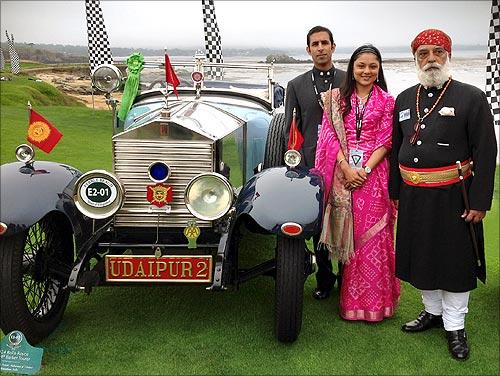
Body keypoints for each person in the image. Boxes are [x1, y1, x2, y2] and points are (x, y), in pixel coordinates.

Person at [389, 29, 497, 360]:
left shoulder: (471, 97)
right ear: (416, 59)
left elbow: (486, 151)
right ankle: (432, 313)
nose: (431, 59)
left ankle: (455, 327)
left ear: (448, 55)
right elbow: (397, 149)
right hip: (413, 196)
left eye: (438, 52)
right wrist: (396, 191)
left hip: (454, 196)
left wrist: (479, 201)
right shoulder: (405, 98)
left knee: (453, 261)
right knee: (421, 256)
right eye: (423, 53)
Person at [315, 44, 400, 321]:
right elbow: (329, 135)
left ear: (379, 69)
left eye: (372, 66)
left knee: (373, 238)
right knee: (348, 235)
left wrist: (362, 169)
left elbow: (386, 140)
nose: (366, 71)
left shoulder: (388, 101)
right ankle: (350, 301)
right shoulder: (336, 99)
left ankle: (377, 304)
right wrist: (345, 167)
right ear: (352, 68)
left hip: (373, 178)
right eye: (361, 65)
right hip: (342, 174)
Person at [284, 26, 346, 300]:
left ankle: (347, 278)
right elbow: (290, 128)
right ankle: (324, 276)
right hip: (311, 164)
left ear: (333, 47)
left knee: (345, 220)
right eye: (315, 44)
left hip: (345, 162)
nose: (320, 48)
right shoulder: (296, 85)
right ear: (308, 50)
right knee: (318, 222)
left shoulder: (349, 79)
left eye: (325, 43)